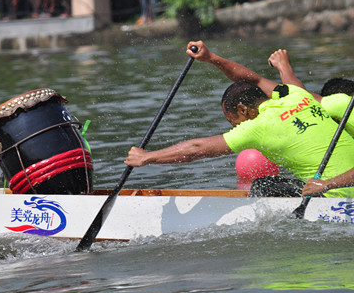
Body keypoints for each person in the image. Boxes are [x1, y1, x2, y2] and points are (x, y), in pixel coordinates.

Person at [124, 41, 354, 198]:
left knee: (263, 186)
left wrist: (148, 157)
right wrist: (211, 58)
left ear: (243, 110)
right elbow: (253, 78)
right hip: (347, 182)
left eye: (232, 121)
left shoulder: (257, 127)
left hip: (334, 195)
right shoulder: (296, 95)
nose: (234, 127)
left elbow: (196, 149)